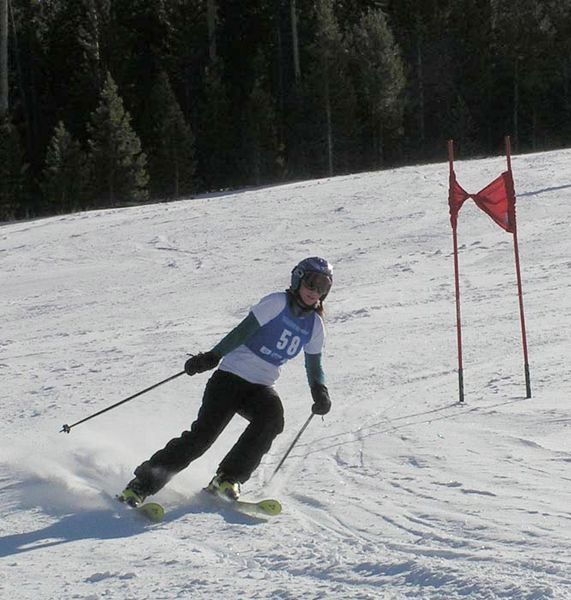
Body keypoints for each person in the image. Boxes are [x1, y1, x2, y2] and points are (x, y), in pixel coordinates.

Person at [118, 256, 333, 506]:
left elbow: (314, 364)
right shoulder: (276, 303)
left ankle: (227, 478)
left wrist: (320, 392)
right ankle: (140, 486)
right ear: (298, 279)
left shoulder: (315, 326)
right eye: (311, 283)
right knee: (202, 438)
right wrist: (214, 355)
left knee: (272, 419)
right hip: (229, 379)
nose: (314, 291)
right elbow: (243, 331)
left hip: (261, 386)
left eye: (323, 287)